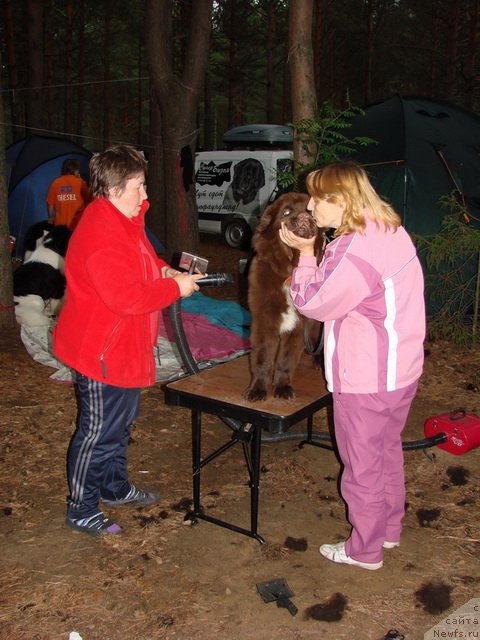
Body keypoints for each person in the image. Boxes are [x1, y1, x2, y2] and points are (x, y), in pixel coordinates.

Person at [279, 161, 425, 570]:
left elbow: (315, 302)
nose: (310, 205)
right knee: (386, 450)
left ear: (341, 200)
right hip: (401, 370)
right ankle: (388, 530)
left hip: (368, 376)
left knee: (361, 466)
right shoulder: (387, 229)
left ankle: (365, 550)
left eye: (318, 198)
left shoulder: (354, 247)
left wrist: (306, 254)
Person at [53, 144, 204, 537]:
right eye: (139, 187)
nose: (146, 196)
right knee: (98, 432)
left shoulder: (122, 220)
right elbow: (128, 298)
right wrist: (176, 290)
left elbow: (140, 259)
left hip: (125, 348)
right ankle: (81, 507)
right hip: (101, 352)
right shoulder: (101, 233)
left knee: (119, 426)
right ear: (115, 189)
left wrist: (166, 270)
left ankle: (113, 487)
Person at [46, 158, 91, 229]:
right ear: (75, 170)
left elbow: (50, 204)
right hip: (77, 225)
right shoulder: (80, 182)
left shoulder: (55, 183)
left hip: (60, 226)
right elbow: (89, 198)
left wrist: (51, 217)